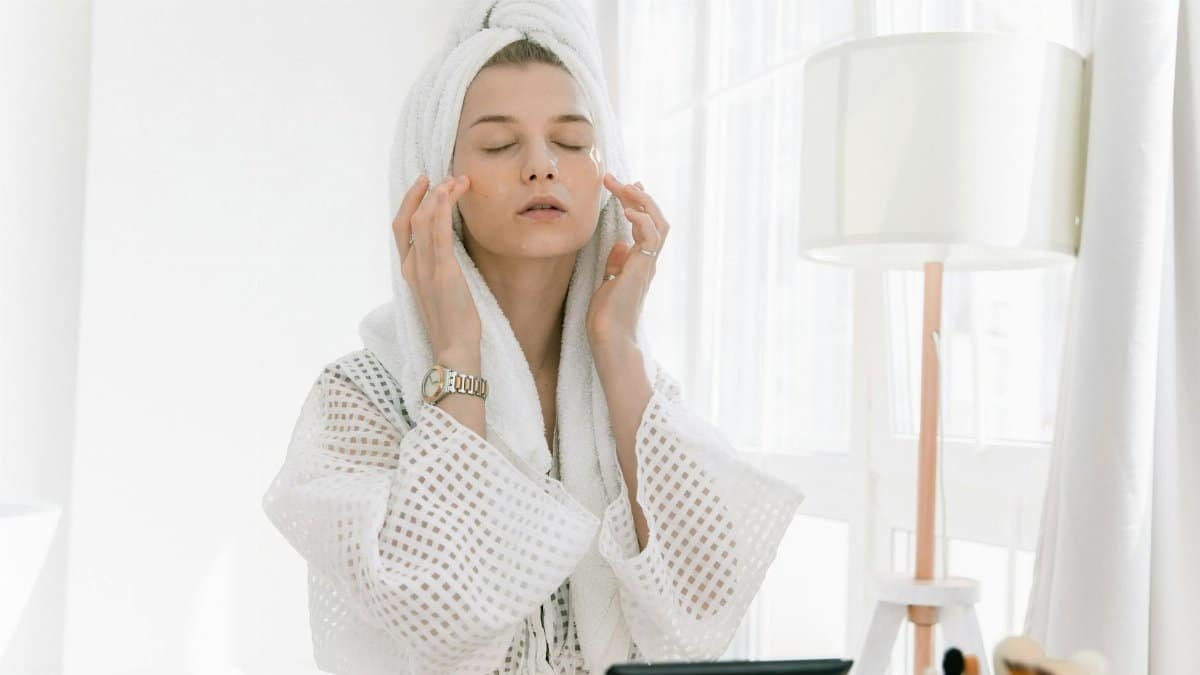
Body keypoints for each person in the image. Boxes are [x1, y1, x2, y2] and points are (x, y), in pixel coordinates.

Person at [261, 2, 805, 673]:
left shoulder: (633, 387)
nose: (543, 164)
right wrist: (456, 357)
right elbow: (446, 622)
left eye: (573, 142)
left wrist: (618, 346)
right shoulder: (362, 402)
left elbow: (700, 615)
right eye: (498, 144)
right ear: (433, 180)